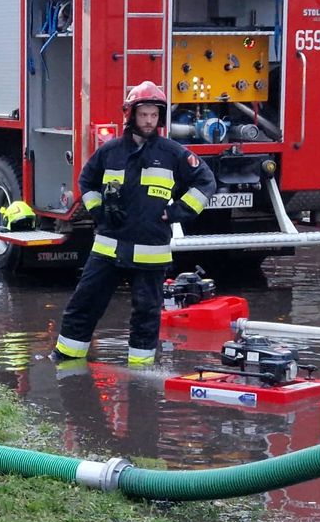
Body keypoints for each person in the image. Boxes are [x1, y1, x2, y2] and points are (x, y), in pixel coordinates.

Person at [53, 81, 215, 367]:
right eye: (144, 115)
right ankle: (66, 360)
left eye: (154, 115)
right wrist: (99, 211)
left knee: (146, 314)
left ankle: (140, 375)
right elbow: (86, 182)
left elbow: (206, 183)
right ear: (131, 115)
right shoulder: (110, 151)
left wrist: (176, 212)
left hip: (151, 251)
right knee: (84, 304)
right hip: (108, 248)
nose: (149, 121)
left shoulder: (173, 153)